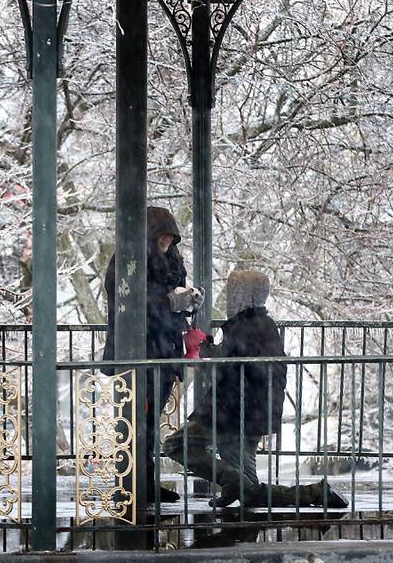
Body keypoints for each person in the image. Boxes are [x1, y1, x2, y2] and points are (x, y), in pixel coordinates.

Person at [164, 270, 347, 508]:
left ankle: (231, 478)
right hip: (252, 414)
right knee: (249, 491)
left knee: (176, 445)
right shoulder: (262, 324)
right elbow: (242, 364)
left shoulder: (245, 326)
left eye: (234, 292)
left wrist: (202, 350)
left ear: (242, 295)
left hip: (231, 413)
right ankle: (315, 494)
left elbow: (226, 369)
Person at [103, 206, 204, 503]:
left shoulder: (171, 262)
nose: (168, 240)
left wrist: (189, 302)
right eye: (162, 235)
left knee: (147, 422)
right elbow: (131, 304)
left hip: (162, 349)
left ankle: (144, 481)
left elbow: (161, 302)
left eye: (171, 236)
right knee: (137, 423)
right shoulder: (128, 261)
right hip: (141, 351)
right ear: (150, 234)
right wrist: (169, 302)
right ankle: (133, 483)